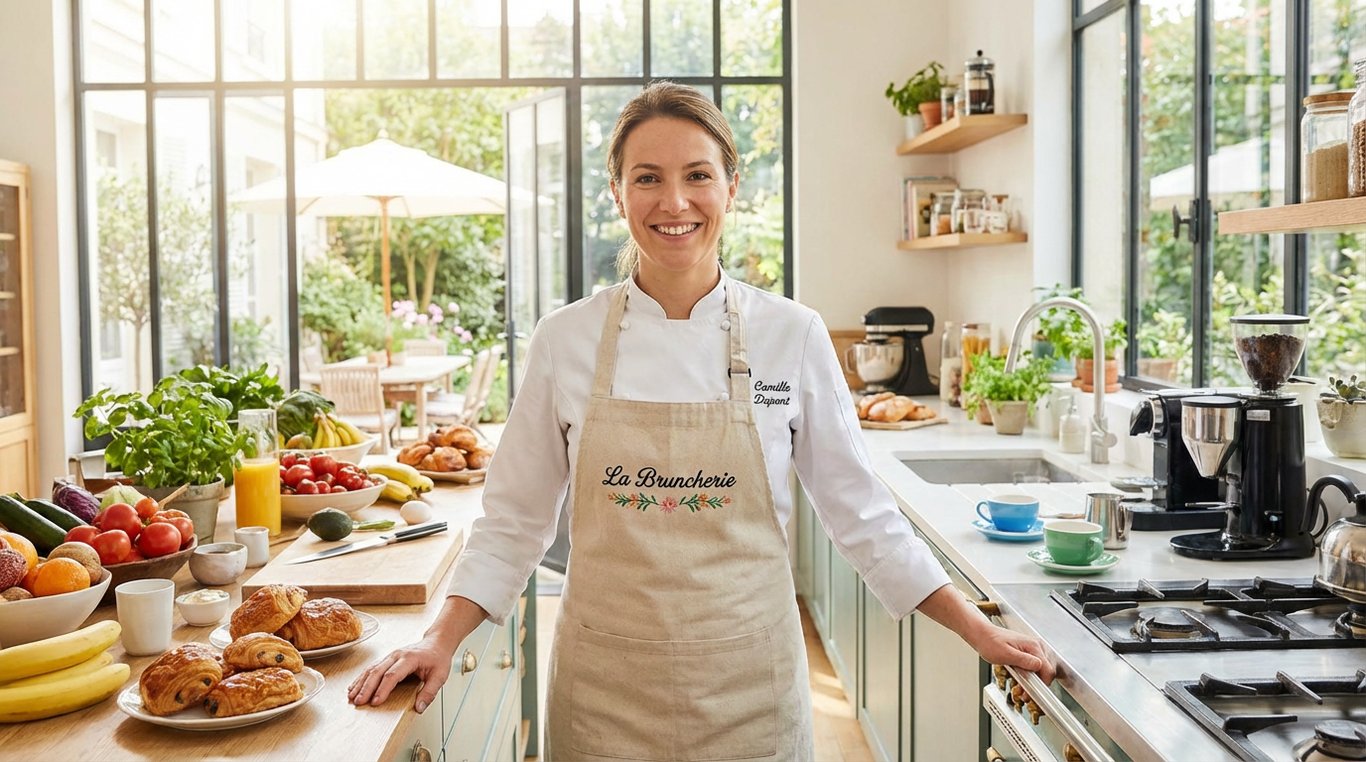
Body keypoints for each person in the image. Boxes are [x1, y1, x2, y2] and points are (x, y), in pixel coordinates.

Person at [348, 81, 1054, 759]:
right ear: (617, 193)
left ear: (731, 187)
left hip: (751, 695)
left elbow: (862, 516)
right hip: (604, 696)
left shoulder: (793, 335)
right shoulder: (566, 340)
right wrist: (440, 639)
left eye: (697, 175)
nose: (675, 201)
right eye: (647, 178)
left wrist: (976, 629)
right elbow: (512, 521)